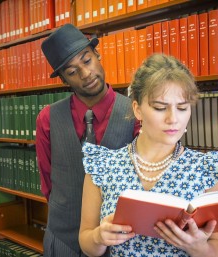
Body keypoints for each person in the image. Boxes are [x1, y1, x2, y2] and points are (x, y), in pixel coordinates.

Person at [79, 53, 218, 257]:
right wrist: (98, 237)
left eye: (182, 108)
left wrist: (198, 248)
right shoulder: (103, 166)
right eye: (160, 107)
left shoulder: (211, 171)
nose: (173, 119)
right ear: (137, 109)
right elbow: (86, 241)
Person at [36, 23, 139, 257]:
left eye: (87, 60)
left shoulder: (135, 113)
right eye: (72, 72)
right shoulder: (47, 118)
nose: (85, 74)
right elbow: (47, 180)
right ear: (63, 79)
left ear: (97, 55)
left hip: (118, 241)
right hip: (63, 240)